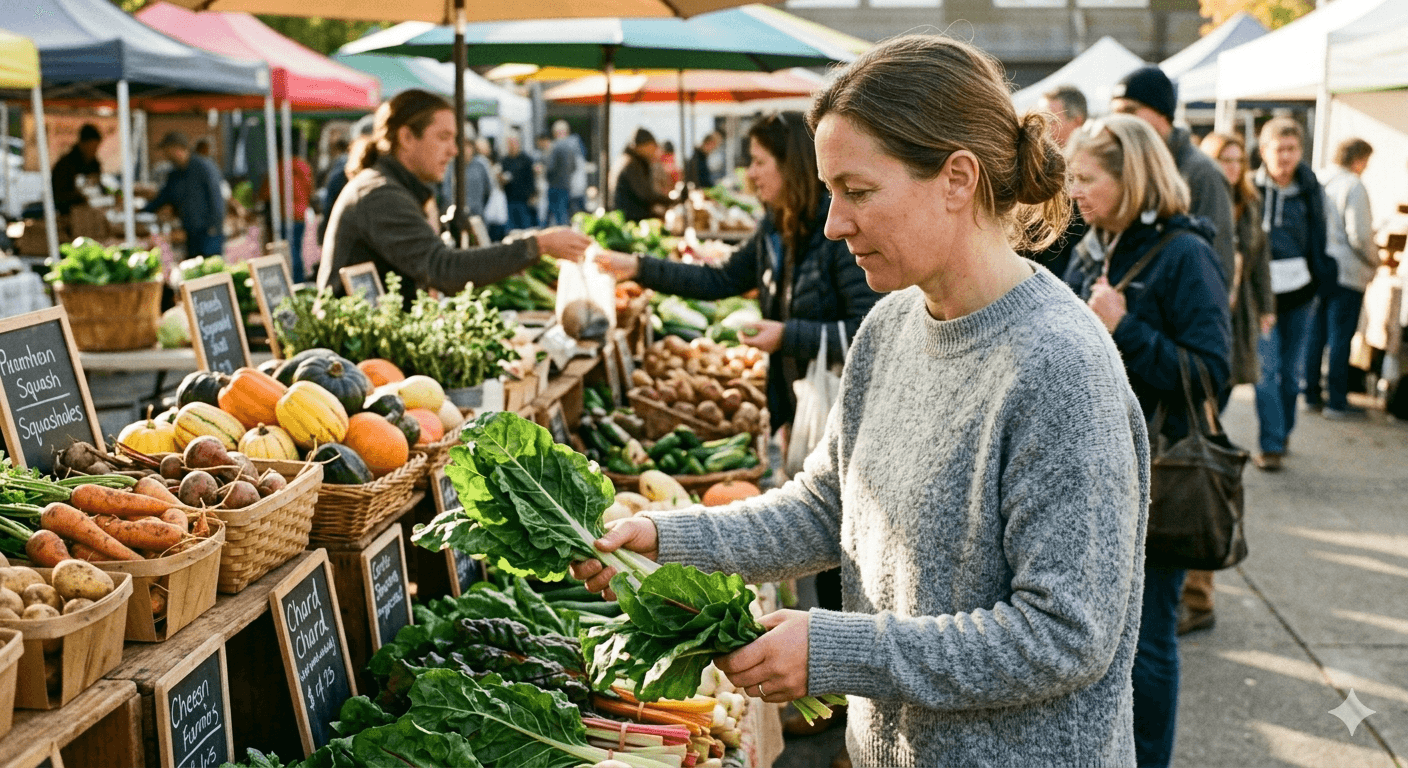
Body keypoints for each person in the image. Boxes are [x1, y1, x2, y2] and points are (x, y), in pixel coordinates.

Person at [576, 34, 1149, 768]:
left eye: (858, 191)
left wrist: (836, 649)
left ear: (957, 179)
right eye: (830, 192)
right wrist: (665, 539)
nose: (833, 223)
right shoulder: (890, 325)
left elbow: (1064, 637)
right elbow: (827, 507)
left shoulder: (1062, 367)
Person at [1063, 115, 1231, 768]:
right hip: (1090, 467)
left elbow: (1210, 373)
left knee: (1149, 636)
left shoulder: (1186, 254)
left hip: (1157, 474)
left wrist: (1125, 327)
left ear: (1130, 178)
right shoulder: (1094, 246)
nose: (1074, 190)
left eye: (1086, 178)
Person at [318, 89, 591, 308]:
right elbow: (443, 268)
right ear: (407, 137)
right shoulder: (380, 194)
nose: (454, 150)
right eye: (443, 137)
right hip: (353, 355)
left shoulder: (394, 188)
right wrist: (538, 245)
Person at [1180, 131, 1276, 637]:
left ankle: (1198, 593)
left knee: (1203, 454)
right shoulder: (1205, 203)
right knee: (1200, 452)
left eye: (1238, 159)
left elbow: (1258, 264)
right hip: (1214, 334)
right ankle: (1196, 591)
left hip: (1229, 338)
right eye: (1224, 159)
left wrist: (1266, 307)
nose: (1232, 167)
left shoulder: (1248, 206)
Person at [1251, 117, 1333, 471]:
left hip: (1300, 294)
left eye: (1292, 149)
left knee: (1291, 372)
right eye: (1279, 149)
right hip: (1261, 296)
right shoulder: (1250, 190)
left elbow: (1323, 237)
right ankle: (1271, 445)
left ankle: (1282, 431)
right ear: (1263, 151)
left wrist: (1321, 278)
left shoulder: (1311, 190)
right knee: (1265, 371)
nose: (1285, 157)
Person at [1112, 66, 1237, 286]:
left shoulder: (1202, 173)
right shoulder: (1128, 165)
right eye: (1115, 113)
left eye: (1130, 111)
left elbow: (1217, 263)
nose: (1119, 121)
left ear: (1162, 113)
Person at [1307, 138, 1376, 419]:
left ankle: (1311, 393)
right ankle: (1336, 401)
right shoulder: (1353, 185)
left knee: (1317, 333)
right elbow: (1359, 234)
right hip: (1347, 269)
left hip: (1320, 266)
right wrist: (1375, 260)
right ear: (1358, 160)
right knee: (1340, 336)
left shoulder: (1319, 179)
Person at [1030, 85, 1089, 277]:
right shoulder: (1035, 170)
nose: (1042, 129)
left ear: (1077, 122)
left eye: (1050, 121)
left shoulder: (1093, 175)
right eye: (1040, 121)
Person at [145, 131, 226, 258]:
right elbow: (164, 197)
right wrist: (141, 210)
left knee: (211, 267)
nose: (165, 155)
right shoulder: (175, 174)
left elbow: (216, 199)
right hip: (190, 236)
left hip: (209, 235)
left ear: (176, 148)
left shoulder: (204, 167)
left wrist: (214, 227)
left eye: (166, 150)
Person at [260, 133, 314, 283]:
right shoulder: (304, 166)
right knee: (297, 249)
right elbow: (310, 189)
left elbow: (265, 193)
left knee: (289, 252)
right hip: (300, 214)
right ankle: (299, 280)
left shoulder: (279, 167)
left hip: (284, 215)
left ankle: (293, 282)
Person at [611, 129, 674, 223]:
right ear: (644, 146)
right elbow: (646, 195)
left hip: (631, 215)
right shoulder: (631, 164)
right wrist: (671, 201)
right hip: (632, 219)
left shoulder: (629, 160)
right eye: (653, 146)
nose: (654, 150)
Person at [51, 123, 102, 215]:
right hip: (68, 214)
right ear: (82, 143)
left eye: (96, 148)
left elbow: (99, 187)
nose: (94, 151)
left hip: (92, 213)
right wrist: (77, 197)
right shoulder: (65, 165)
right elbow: (58, 196)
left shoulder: (94, 164)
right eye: (91, 147)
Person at [500, 134, 538, 231]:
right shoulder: (505, 160)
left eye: (514, 143)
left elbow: (531, 178)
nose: (512, 146)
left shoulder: (526, 159)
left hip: (524, 201)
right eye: (510, 143)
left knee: (526, 228)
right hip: (509, 199)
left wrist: (533, 195)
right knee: (512, 230)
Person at [318, 136, 351, 244]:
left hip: (337, 210)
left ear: (336, 148)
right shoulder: (349, 160)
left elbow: (331, 189)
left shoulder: (341, 162)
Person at [545, 120, 578, 225]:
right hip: (566, 185)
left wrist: (547, 176)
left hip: (555, 186)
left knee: (555, 216)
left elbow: (550, 168)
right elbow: (574, 167)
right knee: (563, 213)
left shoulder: (555, 147)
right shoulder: (571, 147)